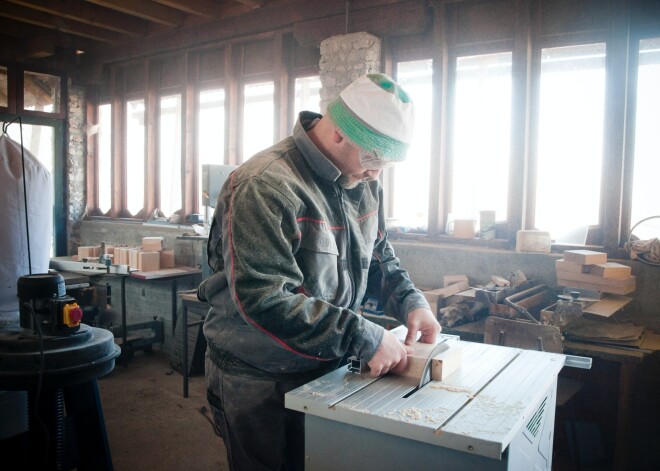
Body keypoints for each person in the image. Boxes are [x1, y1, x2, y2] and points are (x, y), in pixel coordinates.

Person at [198, 73, 441, 471]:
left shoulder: (361, 181)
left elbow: (377, 254)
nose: (376, 174)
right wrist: (360, 334)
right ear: (341, 134)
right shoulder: (266, 185)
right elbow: (264, 299)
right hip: (259, 376)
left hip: (326, 364)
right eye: (374, 159)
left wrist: (412, 303)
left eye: (385, 164)